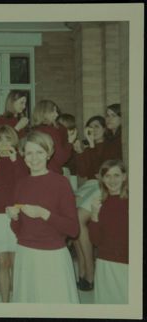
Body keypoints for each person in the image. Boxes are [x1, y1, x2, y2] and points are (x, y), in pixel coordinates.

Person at [6, 130, 79, 303]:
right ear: (23, 156)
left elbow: (73, 229)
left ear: (48, 154)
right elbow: (18, 230)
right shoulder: (20, 185)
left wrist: (44, 214)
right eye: (29, 153)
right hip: (26, 255)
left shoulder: (61, 183)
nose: (34, 158)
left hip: (52, 257)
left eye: (40, 152)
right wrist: (14, 218)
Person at [73, 109, 122, 291]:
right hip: (90, 185)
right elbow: (84, 171)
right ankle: (83, 269)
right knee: (72, 221)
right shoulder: (92, 146)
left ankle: (90, 271)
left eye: (96, 126)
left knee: (78, 219)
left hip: (102, 184)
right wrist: (80, 152)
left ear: (103, 128)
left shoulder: (111, 143)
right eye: (89, 127)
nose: (92, 130)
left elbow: (102, 168)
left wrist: (93, 146)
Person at [0, 125, 29, 302]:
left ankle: (18, 301)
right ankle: (4, 303)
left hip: (16, 214)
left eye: (8, 139)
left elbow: (22, 184)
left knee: (16, 263)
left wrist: (14, 160)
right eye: (0, 139)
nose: (3, 143)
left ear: (14, 142)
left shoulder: (20, 161)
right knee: (3, 263)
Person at [88, 159, 128, 304]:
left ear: (124, 176)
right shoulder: (100, 203)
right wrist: (94, 215)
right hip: (105, 262)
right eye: (107, 176)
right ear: (102, 178)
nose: (112, 180)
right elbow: (96, 241)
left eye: (116, 175)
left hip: (127, 263)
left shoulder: (133, 201)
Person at [31, 99, 77, 175]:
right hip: (52, 174)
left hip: (36, 173)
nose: (57, 114)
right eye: (53, 111)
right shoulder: (51, 131)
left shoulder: (33, 130)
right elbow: (61, 158)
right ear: (45, 113)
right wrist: (70, 142)